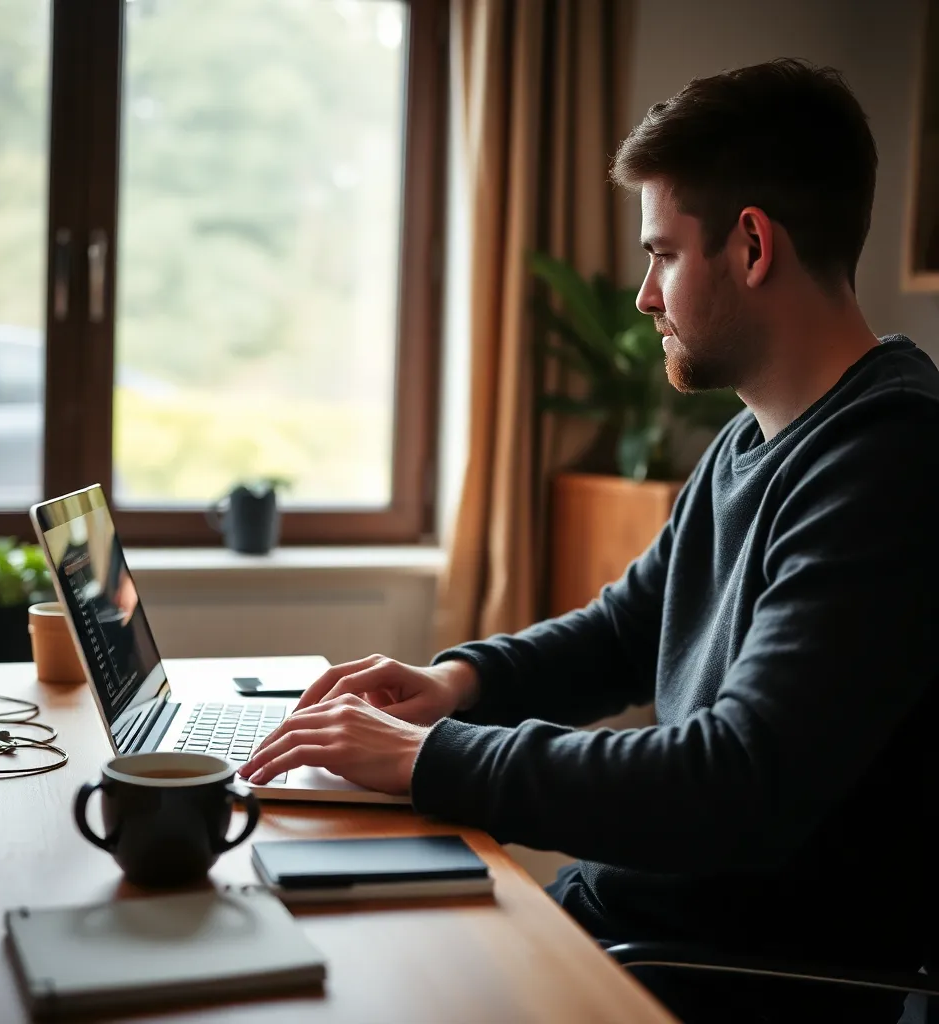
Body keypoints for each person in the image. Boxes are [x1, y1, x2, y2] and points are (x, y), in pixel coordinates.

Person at [240, 59, 939, 1023]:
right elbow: (624, 631)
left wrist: (429, 756)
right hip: (632, 927)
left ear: (751, 245)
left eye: (660, 252)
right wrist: (456, 683)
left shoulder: (889, 463)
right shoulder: (757, 439)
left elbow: (735, 779)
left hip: (725, 977)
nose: (646, 295)